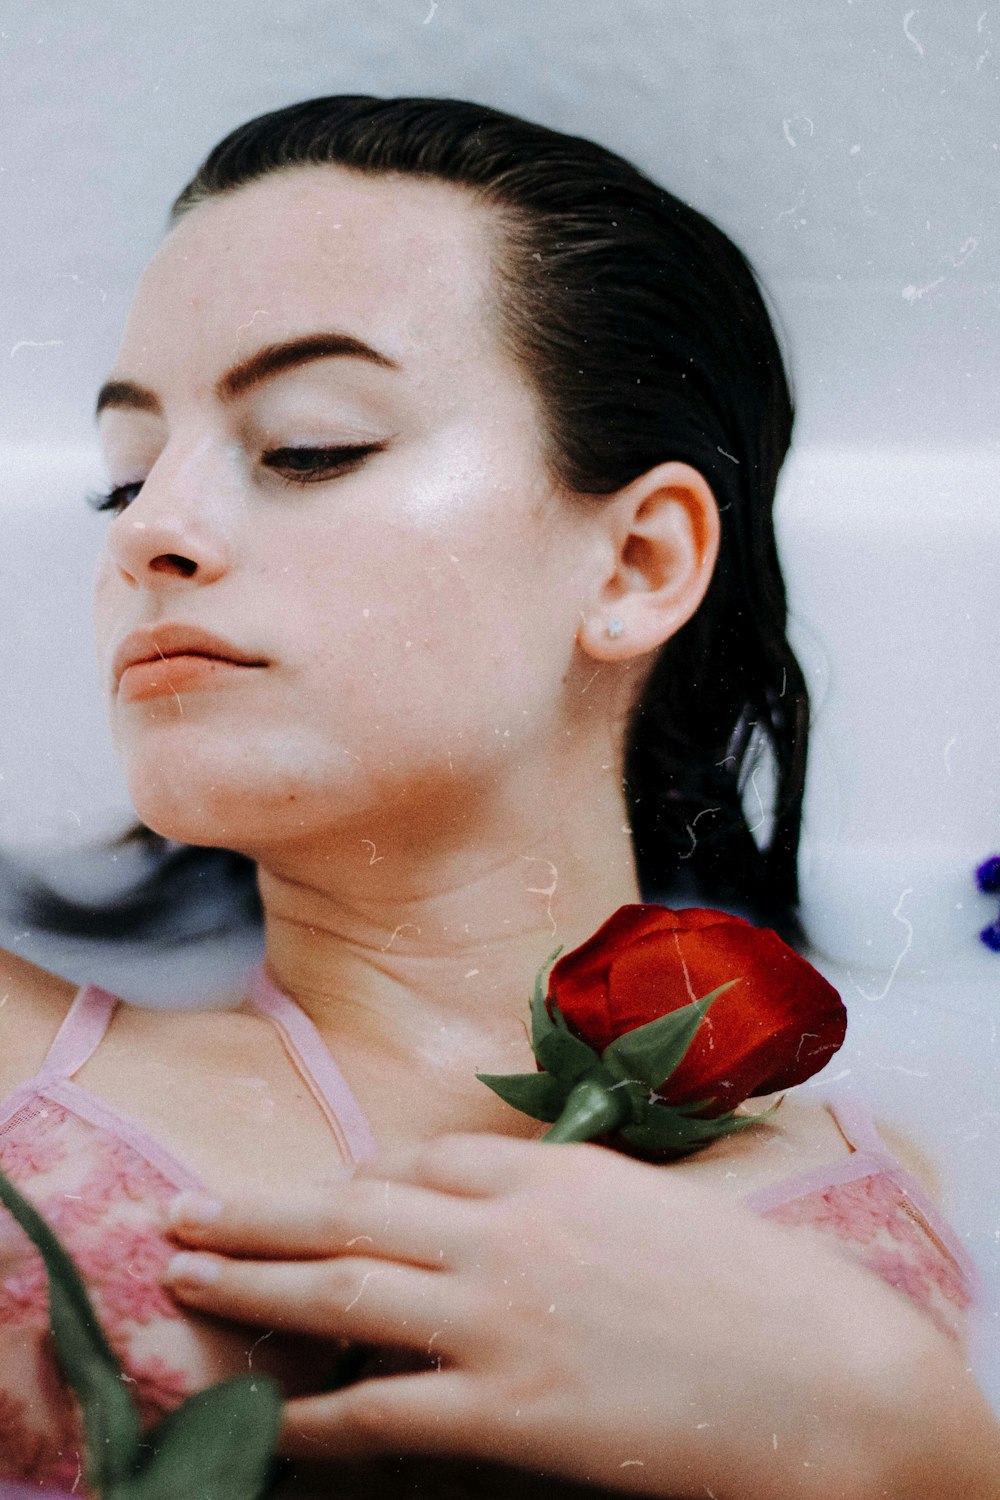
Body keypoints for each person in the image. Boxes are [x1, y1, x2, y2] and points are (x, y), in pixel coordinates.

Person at [1, 95, 997, 1498]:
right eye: (123, 477)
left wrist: (920, 1445)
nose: (151, 530)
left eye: (309, 446)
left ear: (639, 562)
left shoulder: (894, 1192)